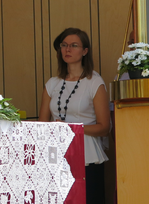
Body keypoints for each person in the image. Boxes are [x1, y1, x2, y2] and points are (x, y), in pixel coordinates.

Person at [39, 28, 109, 204]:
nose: (67, 49)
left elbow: (104, 127)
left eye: (73, 45)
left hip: (87, 154)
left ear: (85, 51)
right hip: (57, 154)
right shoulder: (52, 83)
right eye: (64, 45)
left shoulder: (94, 82)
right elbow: (42, 125)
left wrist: (73, 128)